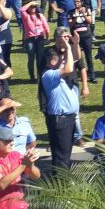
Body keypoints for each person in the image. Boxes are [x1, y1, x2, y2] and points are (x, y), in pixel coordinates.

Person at [41, 37, 83, 172]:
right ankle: (61, 184)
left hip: (67, 118)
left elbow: (74, 59)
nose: (63, 62)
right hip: (60, 119)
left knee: (65, 154)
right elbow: (69, 67)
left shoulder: (56, 73)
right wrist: (68, 48)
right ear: (52, 61)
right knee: (61, 156)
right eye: (60, 60)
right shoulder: (48, 74)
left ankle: (62, 181)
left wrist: (74, 44)